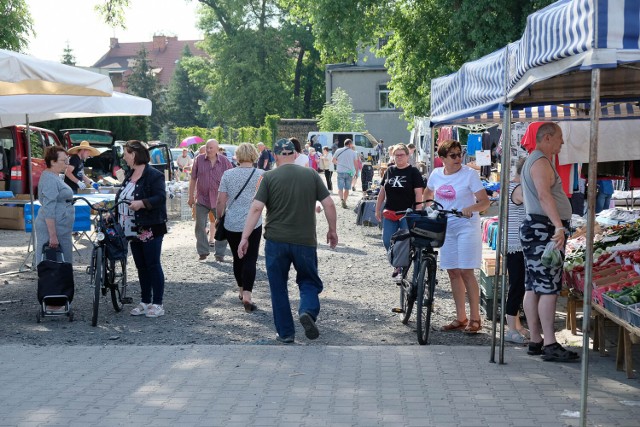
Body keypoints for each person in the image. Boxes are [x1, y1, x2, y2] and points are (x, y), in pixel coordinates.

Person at [238, 138, 338, 344]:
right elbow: (328, 204)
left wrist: (245, 237)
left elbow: (256, 208)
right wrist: (332, 230)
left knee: (278, 287)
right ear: (294, 154)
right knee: (309, 281)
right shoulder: (311, 174)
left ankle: (285, 333)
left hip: (276, 241)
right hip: (305, 241)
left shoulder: (269, 177)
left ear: (275, 156)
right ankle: (307, 311)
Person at [520, 123, 579, 361]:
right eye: (559, 138)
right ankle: (550, 343)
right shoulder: (541, 161)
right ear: (547, 138)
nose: (562, 143)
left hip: (538, 229)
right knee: (548, 287)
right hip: (543, 230)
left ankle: (537, 340)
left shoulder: (536, 160)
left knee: (534, 286)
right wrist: (558, 226)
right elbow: (544, 195)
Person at [424, 139, 490, 334]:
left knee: (466, 271)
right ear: (442, 158)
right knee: (452, 271)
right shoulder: (436, 174)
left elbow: (485, 202)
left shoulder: (469, 175)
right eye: (452, 155)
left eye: (459, 154)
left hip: (466, 226)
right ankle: (461, 317)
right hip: (446, 227)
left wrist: (471, 208)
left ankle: (476, 318)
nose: (458, 158)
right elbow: (428, 191)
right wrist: (427, 208)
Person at [116, 141, 168, 318]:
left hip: (150, 227)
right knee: (140, 266)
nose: (124, 157)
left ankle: (158, 303)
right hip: (132, 229)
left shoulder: (154, 175)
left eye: (126, 153)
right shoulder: (130, 174)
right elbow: (122, 196)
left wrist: (142, 203)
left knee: (153, 264)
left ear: (135, 154)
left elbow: (161, 197)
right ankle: (145, 301)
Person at [216, 143, 264, 312]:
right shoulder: (261, 175)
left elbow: (221, 200)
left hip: (232, 223)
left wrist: (218, 216)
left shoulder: (227, 174)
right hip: (254, 222)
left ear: (237, 155)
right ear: (254, 155)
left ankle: (241, 289)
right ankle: (248, 296)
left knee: (238, 258)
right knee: (251, 258)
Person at [374, 143, 424, 277]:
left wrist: (418, 211)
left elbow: (419, 193)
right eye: (396, 155)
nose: (399, 158)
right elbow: (382, 191)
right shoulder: (390, 170)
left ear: (408, 156)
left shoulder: (413, 172)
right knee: (387, 240)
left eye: (402, 155)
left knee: (404, 241)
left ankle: (401, 266)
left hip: (406, 213)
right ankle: (397, 263)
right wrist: (377, 208)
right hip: (390, 212)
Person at [188, 139, 233, 261]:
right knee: (199, 226)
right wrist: (190, 196)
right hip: (202, 199)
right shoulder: (199, 159)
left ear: (217, 149)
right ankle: (203, 251)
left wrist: (230, 197)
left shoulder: (224, 161)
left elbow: (231, 178)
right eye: (207, 147)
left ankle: (220, 253)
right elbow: (193, 179)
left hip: (219, 200)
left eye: (211, 148)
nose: (208, 150)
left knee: (221, 226)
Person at [36, 147, 74, 271]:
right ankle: (55, 288)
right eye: (64, 161)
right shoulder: (50, 179)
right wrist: (52, 235)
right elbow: (49, 207)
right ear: (52, 162)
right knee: (53, 262)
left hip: (60, 225)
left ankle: (60, 288)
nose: (67, 164)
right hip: (54, 227)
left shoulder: (55, 176)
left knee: (61, 261)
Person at [504, 157, 529, 344]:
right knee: (517, 286)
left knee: (517, 285)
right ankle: (511, 329)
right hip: (517, 244)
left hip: (513, 243)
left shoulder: (509, 186)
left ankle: (517, 326)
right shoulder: (519, 189)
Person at [332, 139, 358, 209]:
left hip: (340, 171)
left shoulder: (338, 150)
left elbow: (333, 160)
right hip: (349, 172)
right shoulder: (354, 153)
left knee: (340, 188)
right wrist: (357, 172)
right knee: (347, 188)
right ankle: (345, 201)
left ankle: (341, 200)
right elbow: (356, 164)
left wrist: (339, 164)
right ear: (350, 144)